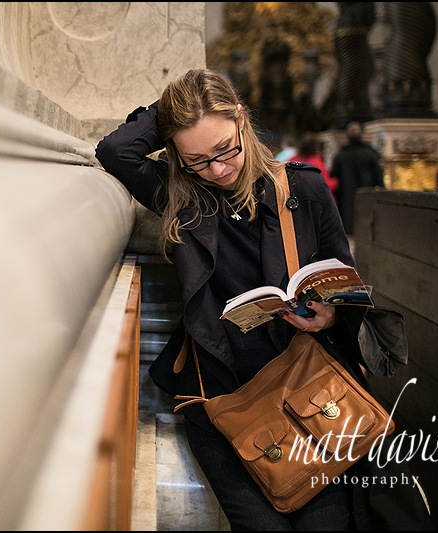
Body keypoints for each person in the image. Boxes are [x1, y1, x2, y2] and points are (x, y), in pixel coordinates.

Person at [95, 69, 371, 530]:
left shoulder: (302, 189)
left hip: (305, 386)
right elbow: (115, 152)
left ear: (241, 120)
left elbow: (342, 279)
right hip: (221, 396)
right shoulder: (184, 197)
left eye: (226, 148)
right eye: (198, 160)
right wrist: (177, 110)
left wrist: (329, 312)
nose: (219, 169)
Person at [330, 121, 384, 235]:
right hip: (366, 190)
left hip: (346, 194)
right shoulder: (369, 153)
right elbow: (378, 174)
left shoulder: (341, 155)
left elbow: (333, 176)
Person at [288, 131, 338, 203]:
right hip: (314, 201)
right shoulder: (317, 163)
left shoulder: (291, 161)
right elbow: (326, 184)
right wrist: (337, 181)